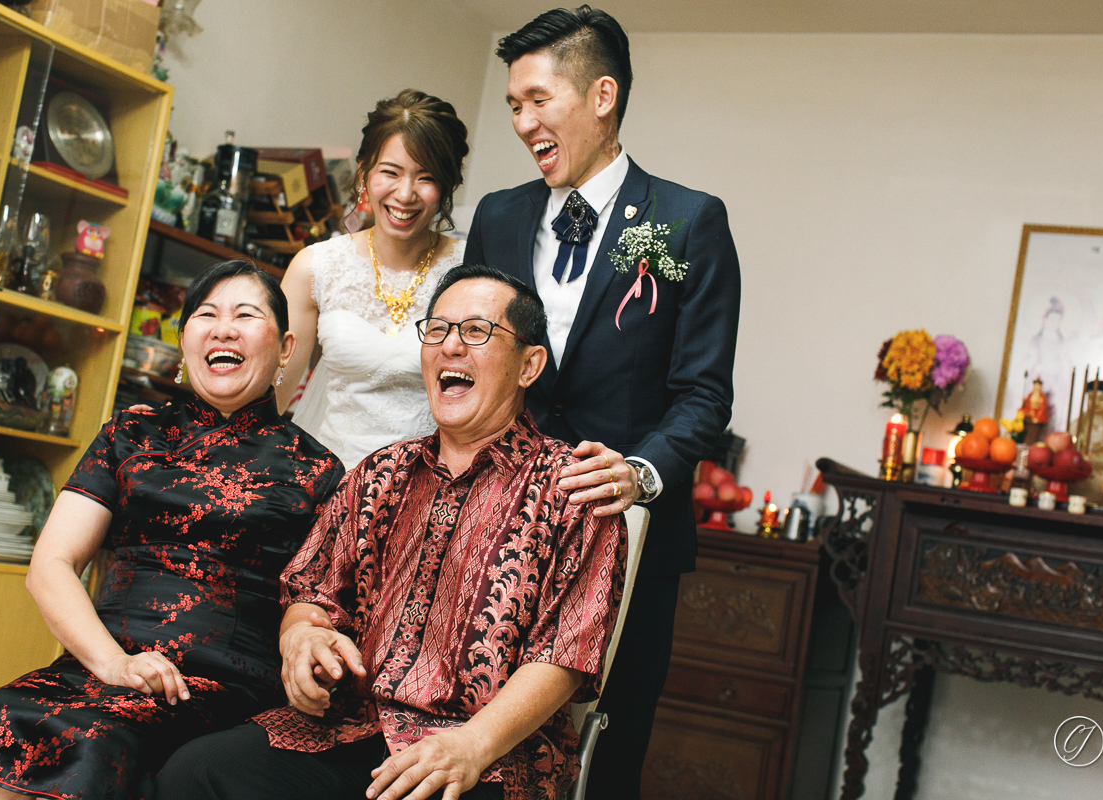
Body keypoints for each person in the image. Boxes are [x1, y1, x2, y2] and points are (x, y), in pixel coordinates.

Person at [157, 264, 627, 800]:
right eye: (438, 329)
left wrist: (472, 745)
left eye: (476, 331)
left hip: (490, 753)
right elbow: (311, 592)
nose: (451, 346)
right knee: (194, 774)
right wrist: (303, 637)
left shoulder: (575, 490)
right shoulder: (381, 474)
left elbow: (564, 658)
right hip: (352, 729)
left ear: (529, 365)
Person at [462, 7, 741, 795]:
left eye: (537, 100)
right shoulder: (499, 215)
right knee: (469, 734)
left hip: (627, 536)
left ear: (602, 95)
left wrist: (640, 475)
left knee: (598, 758)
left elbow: (702, 394)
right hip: (497, 525)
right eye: (513, 104)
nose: (522, 122)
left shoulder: (688, 223)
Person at [0, 260, 344, 800]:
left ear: (286, 347)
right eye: (206, 315)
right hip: (103, 663)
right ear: (185, 341)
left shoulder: (317, 469)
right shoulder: (131, 433)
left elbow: (321, 601)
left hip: (218, 685)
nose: (224, 328)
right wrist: (113, 663)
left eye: (245, 315)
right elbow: (51, 566)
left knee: (94, 740)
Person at [275, 90, 469, 467]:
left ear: (447, 187)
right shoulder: (315, 267)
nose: (405, 194)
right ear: (364, 173)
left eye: (426, 177)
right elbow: (271, 397)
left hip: (426, 490)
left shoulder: (470, 273)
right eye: (390, 173)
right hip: (328, 481)